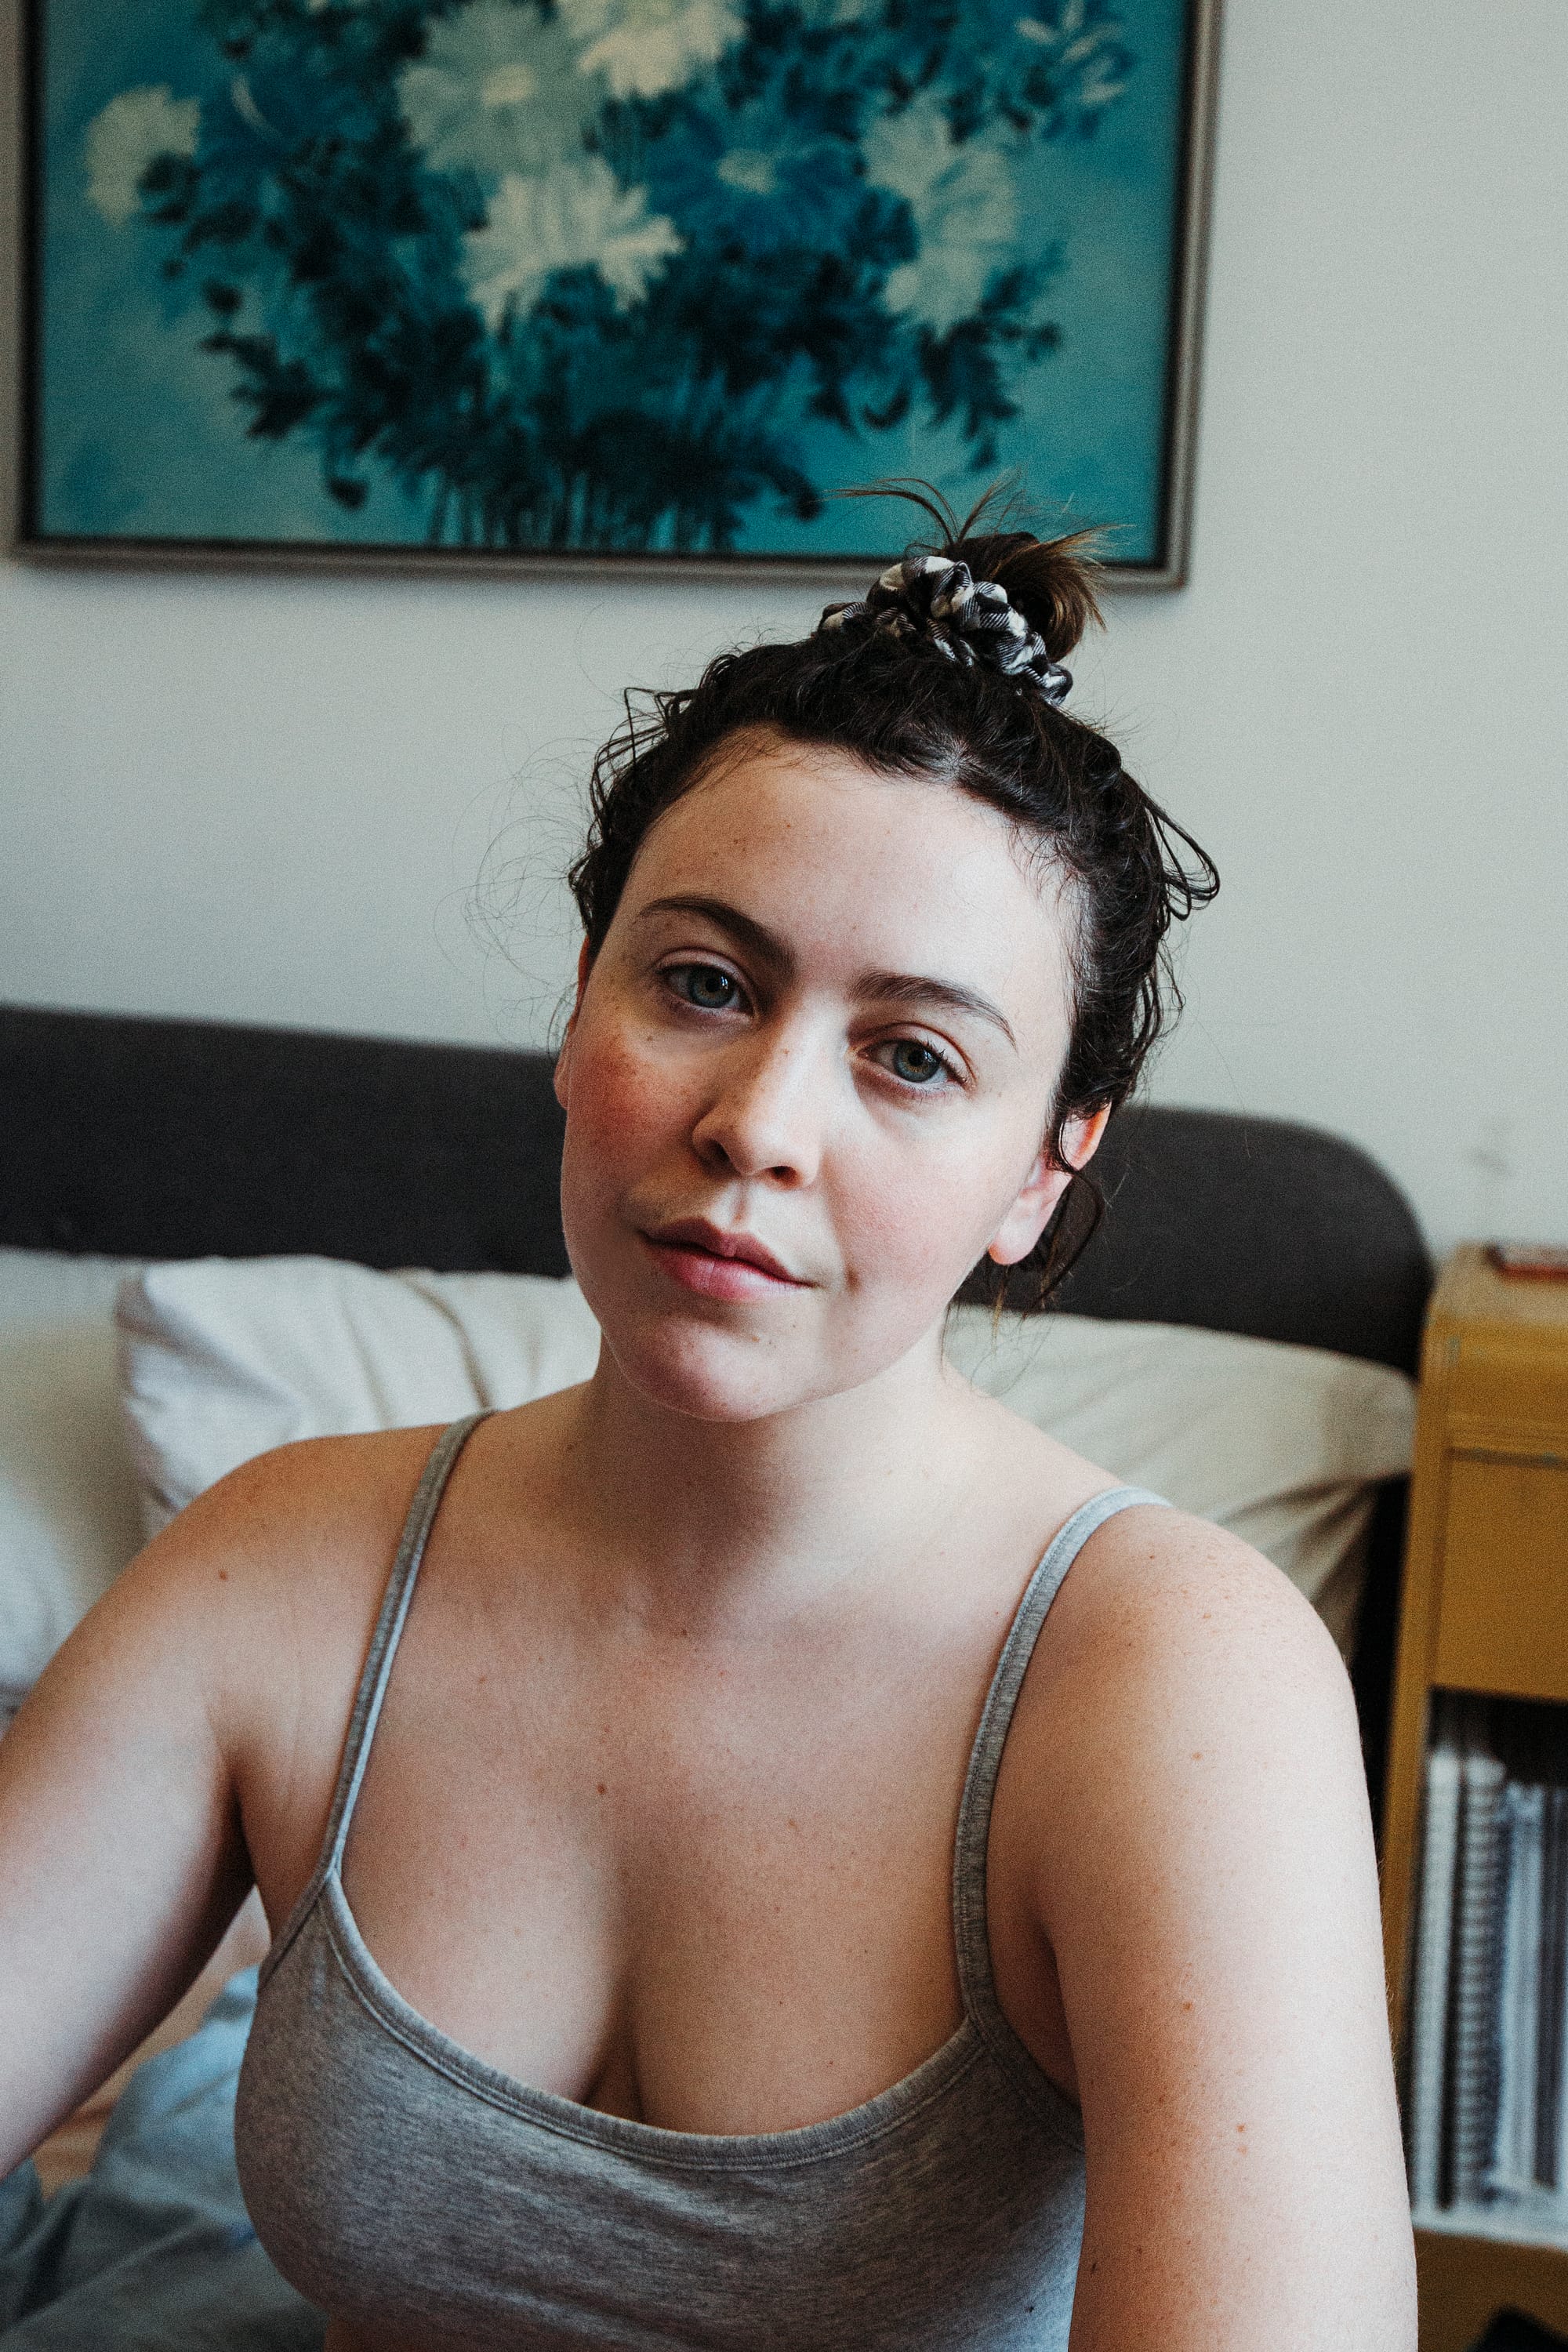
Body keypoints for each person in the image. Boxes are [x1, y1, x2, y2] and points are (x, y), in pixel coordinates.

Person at [0, 495, 1417, 2350]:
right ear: (577, 1009)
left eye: (912, 1056)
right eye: (701, 983)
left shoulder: (1173, 1686)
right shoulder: (282, 1567)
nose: (758, 1119)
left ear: (1041, 1174)